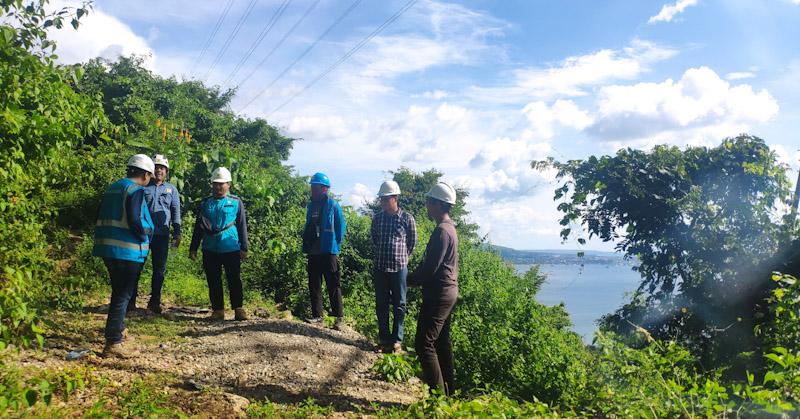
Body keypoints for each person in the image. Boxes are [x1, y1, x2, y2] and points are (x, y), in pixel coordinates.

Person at [93, 154, 155, 358]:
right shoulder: (135, 190)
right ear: (146, 174)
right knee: (122, 295)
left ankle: (118, 329)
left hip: (107, 248)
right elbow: (135, 220)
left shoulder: (114, 187)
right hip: (127, 250)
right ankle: (113, 341)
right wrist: (145, 232)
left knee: (118, 291)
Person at [408, 182, 459, 396]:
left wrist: (406, 280)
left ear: (438, 204)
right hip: (447, 292)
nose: (426, 205)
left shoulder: (442, 232)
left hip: (439, 294)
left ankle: (438, 397)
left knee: (424, 344)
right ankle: (449, 392)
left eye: (429, 202)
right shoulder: (449, 228)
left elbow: (430, 269)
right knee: (440, 344)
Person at [189, 167, 249, 321]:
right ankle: (218, 310)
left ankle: (238, 308)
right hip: (210, 248)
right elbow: (198, 226)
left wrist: (244, 247)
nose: (218, 187)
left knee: (234, 279)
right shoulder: (205, 203)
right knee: (213, 280)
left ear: (229, 184)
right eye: (216, 183)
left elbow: (242, 225)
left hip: (230, 247)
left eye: (222, 184)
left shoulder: (235, 202)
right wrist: (193, 248)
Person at [129, 154, 181, 314]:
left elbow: (175, 212)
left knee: (159, 270)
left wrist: (177, 233)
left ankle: (155, 301)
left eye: (162, 168)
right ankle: (130, 301)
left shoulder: (172, 190)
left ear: (167, 171)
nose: (159, 170)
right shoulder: (142, 186)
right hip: (143, 233)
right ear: (151, 170)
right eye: (157, 167)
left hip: (162, 236)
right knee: (136, 266)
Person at [371, 180, 417, 353]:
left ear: (395, 198)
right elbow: (375, 238)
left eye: (385, 199)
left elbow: (412, 242)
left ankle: (397, 340)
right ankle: (384, 340)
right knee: (381, 304)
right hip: (381, 268)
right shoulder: (377, 218)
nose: (382, 202)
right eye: (381, 199)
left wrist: (402, 257)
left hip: (399, 268)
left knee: (400, 304)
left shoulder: (407, 218)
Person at [301, 172, 346, 330]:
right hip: (313, 251)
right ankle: (317, 316)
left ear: (325, 189)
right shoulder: (311, 205)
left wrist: (335, 246)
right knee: (314, 284)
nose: (313, 189)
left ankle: (339, 318)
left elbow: (341, 228)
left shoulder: (333, 205)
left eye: (316, 187)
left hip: (329, 252)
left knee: (333, 285)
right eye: (312, 186)